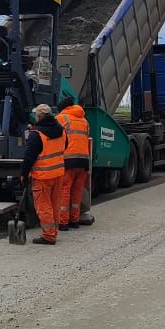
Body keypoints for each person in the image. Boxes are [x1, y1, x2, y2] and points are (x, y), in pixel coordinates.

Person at [19, 103, 66, 245]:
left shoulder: (37, 134)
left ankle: (49, 235)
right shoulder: (61, 130)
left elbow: (29, 157)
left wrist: (23, 174)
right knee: (55, 205)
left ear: (39, 116)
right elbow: (65, 146)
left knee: (44, 206)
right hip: (58, 173)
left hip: (42, 176)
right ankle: (53, 232)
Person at [57, 98, 92, 230]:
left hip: (68, 159)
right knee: (77, 190)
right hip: (83, 160)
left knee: (65, 190)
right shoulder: (84, 121)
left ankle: (63, 222)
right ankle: (75, 220)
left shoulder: (61, 118)